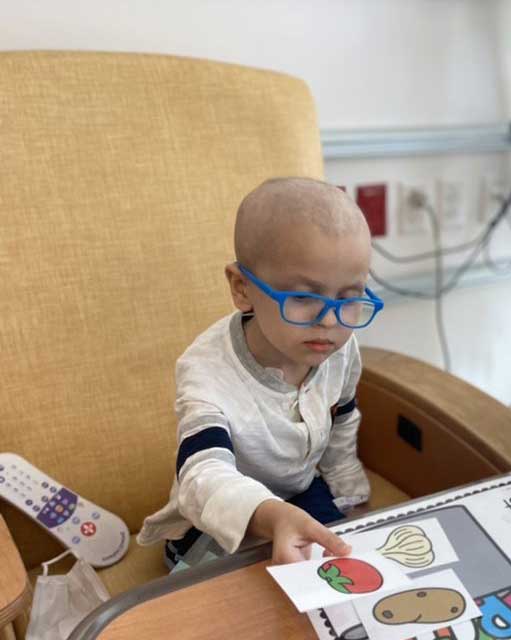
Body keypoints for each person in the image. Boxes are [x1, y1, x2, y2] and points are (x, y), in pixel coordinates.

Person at [139, 177, 385, 566]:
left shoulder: (339, 348)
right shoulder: (207, 370)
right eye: (304, 297)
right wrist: (269, 516)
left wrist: (348, 484)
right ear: (242, 288)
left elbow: (342, 416)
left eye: (349, 299)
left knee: (347, 568)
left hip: (300, 492)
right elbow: (202, 474)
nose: (329, 321)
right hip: (218, 512)